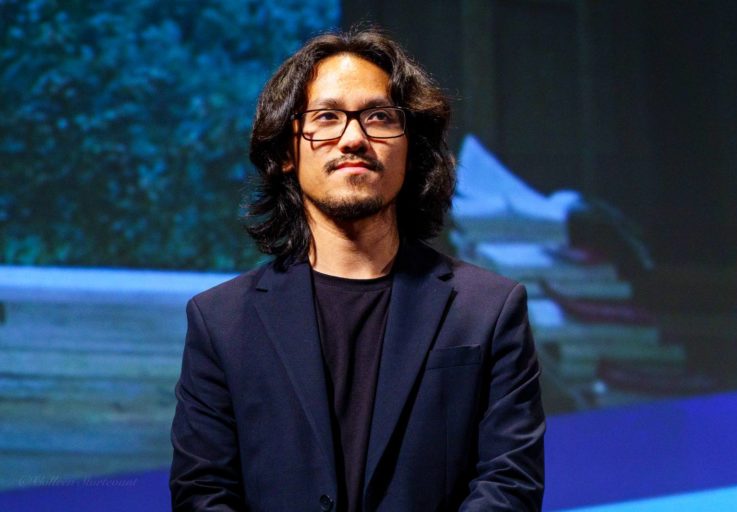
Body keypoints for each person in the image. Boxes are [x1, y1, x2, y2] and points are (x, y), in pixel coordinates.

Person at [170, 28, 545, 511]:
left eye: (379, 117)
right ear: (285, 153)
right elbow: (203, 491)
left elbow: (509, 484)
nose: (353, 139)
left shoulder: (489, 309)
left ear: (411, 150)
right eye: (326, 117)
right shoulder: (221, 321)